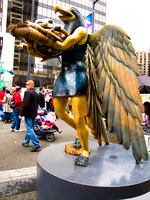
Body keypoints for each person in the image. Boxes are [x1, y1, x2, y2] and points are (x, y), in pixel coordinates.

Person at [19, 80, 41, 152]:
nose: (26, 86)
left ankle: (36, 144)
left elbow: (25, 104)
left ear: (31, 85)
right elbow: (37, 103)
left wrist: (21, 114)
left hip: (28, 113)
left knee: (29, 129)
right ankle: (26, 141)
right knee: (30, 128)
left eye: (27, 84)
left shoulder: (28, 93)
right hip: (33, 113)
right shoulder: (35, 93)